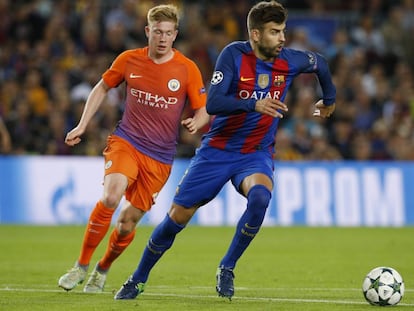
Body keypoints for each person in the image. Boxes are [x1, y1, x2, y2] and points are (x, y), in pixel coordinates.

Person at [114, 0, 336, 300]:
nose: (282, 38)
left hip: (256, 153)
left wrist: (330, 99)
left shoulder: (291, 60)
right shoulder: (233, 55)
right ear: (256, 35)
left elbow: (320, 63)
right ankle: (137, 278)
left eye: (283, 31)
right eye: (274, 32)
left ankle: (227, 267)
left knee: (260, 197)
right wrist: (253, 103)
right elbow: (214, 102)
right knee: (176, 219)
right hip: (216, 152)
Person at [58, 4, 209, 293]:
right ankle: (81, 265)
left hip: (160, 158)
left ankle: (102, 269)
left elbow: (203, 109)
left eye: (168, 33)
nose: (162, 38)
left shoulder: (187, 69)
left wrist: (196, 121)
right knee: (111, 196)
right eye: (157, 32)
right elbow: (102, 87)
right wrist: (81, 125)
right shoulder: (129, 59)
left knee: (127, 224)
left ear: (175, 34)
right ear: (147, 31)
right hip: (127, 141)